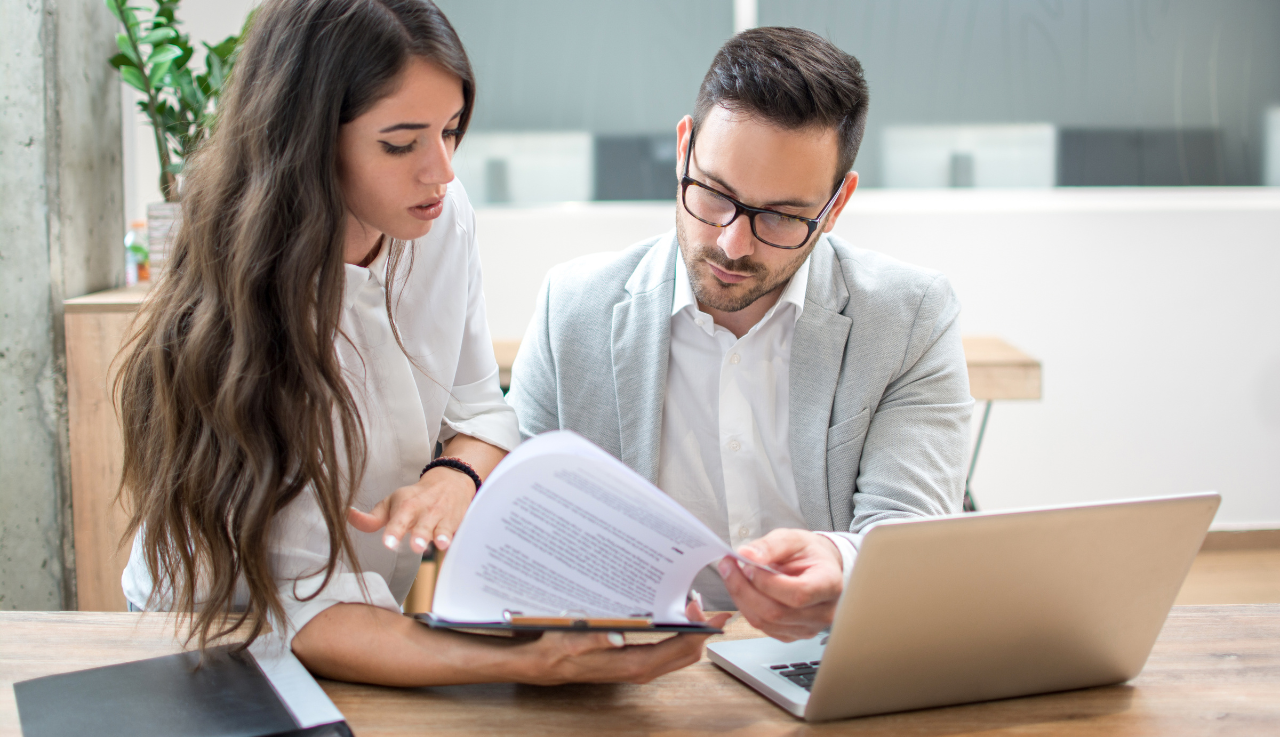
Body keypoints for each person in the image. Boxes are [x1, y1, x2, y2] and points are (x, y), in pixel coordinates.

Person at [116, 0, 727, 687]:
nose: (440, 170)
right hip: (222, 629)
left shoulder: (438, 219)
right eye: (401, 143)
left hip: (362, 621)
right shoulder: (252, 310)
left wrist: (454, 475)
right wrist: (528, 660)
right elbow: (296, 603)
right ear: (309, 141)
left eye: (453, 129)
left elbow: (479, 408)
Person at [507, 27, 973, 643]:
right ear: (683, 152)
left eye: (781, 215)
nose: (732, 243)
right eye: (715, 194)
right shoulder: (573, 308)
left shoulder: (909, 316)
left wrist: (841, 564)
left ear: (835, 206)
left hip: (829, 661)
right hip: (633, 674)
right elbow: (523, 529)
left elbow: (909, 535)